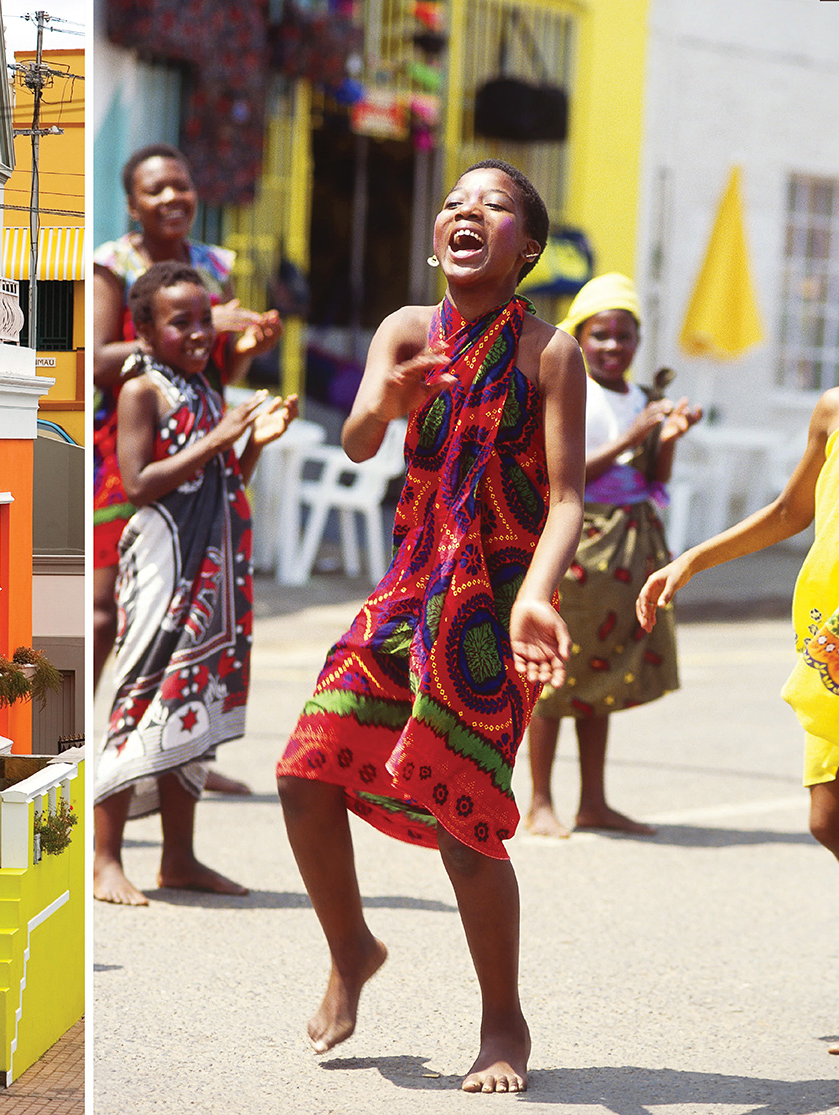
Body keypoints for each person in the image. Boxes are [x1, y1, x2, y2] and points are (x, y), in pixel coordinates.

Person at [276, 160, 587, 1093]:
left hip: (496, 607)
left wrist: (537, 594)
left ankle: (504, 1022)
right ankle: (352, 947)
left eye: (493, 205)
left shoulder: (551, 351)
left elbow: (569, 495)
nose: (468, 211)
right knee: (301, 771)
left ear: (525, 246)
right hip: (411, 589)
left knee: (465, 825)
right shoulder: (405, 330)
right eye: (457, 200)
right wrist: (387, 397)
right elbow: (361, 438)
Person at [637, 389, 839, 1055]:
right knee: (828, 819)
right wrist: (693, 560)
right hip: (828, 644)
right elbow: (790, 510)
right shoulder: (832, 409)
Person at [94, 260, 298, 908]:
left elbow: (222, 473)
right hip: (162, 561)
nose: (199, 331)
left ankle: (178, 857)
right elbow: (139, 481)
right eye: (180, 321)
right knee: (140, 693)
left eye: (205, 319)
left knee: (193, 697)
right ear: (146, 333)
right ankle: (104, 858)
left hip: (211, 565)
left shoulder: (206, 388)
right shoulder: (142, 389)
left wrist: (255, 442)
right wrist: (219, 437)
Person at [92, 143, 282, 695]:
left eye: (181, 185)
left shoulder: (213, 266)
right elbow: (101, 361)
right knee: (106, 606)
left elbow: (214, 364)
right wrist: (209, 324)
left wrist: (244, 344)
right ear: (132, 204)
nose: (172, 197)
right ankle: (85, 736)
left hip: (201, 428)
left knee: (197, 595)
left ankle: (183, 743)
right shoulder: (115, 265)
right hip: (129, 438)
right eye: (156, 189)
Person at [524, 274, 703, 837]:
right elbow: (569, 473)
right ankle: (540, 801)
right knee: (558, 673)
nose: (612, 347)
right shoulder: (570, 385)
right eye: (600, 336)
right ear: (579, 335)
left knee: (601, 671)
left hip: (630, 546)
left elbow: (652, 476)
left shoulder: (642, 398)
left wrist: (666, 436)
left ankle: (593, 801)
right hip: (577, 543)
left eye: (623, 337)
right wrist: (632, 436)